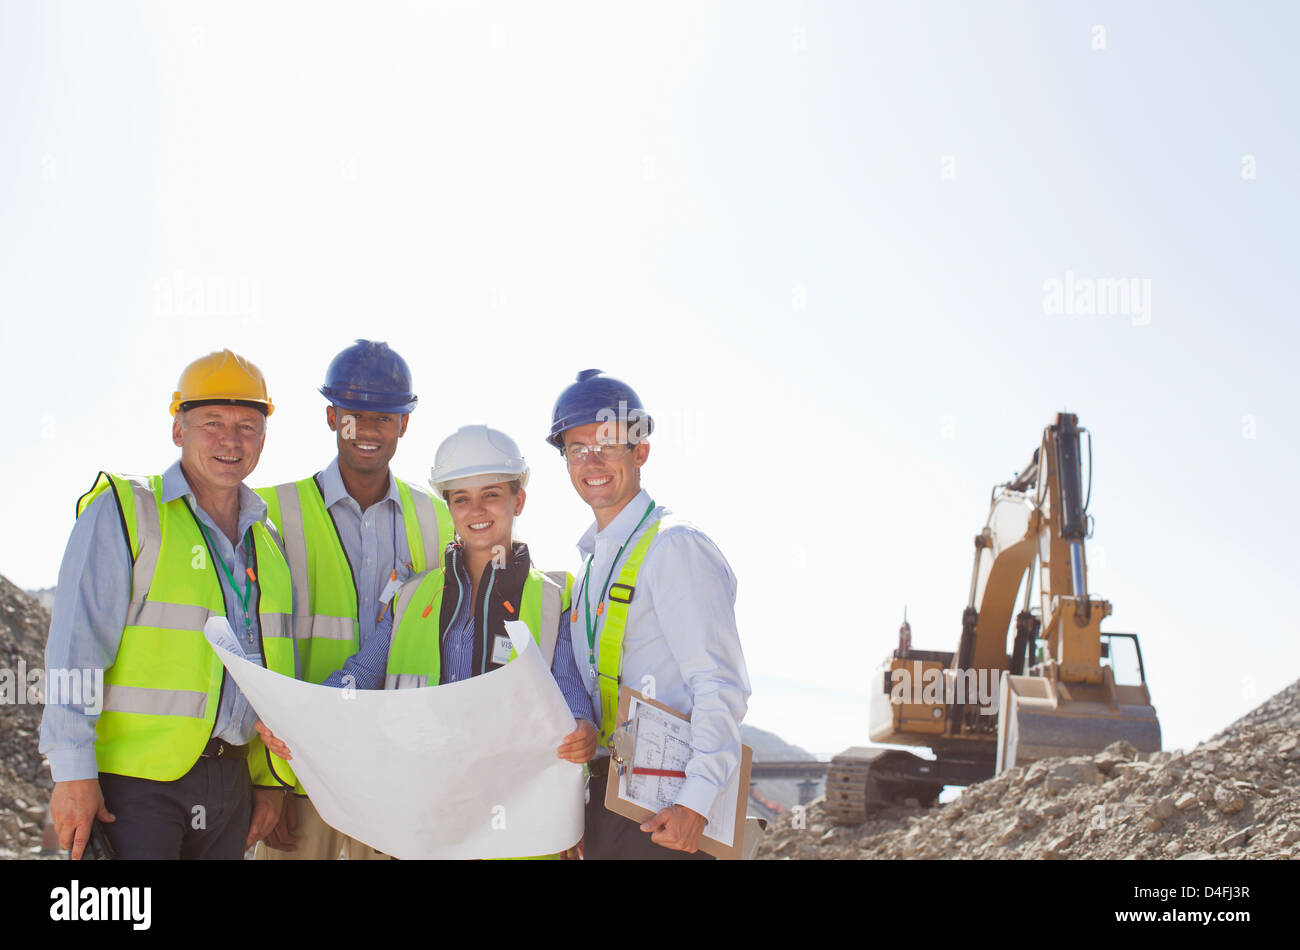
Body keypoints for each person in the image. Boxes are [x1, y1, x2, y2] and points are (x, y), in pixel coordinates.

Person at [258, 425, 597, 858]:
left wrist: (582, 730)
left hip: (512, 830)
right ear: (449, 507)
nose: (477, 509)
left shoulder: (552, 598)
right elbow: (360, 675)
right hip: (419, 824)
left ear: (519, 500)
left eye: (491, 494)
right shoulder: (412, 596)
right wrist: (297, 714)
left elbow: (568, 692)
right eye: (461, 498)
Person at [39, 349, 296, 859]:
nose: (231, 439)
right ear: (178, 430)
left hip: (229, 782)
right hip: (134, 787)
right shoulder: (127, 511)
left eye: (247, 425)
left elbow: (267, 672)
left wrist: (270, 779)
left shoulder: (267, 540)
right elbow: (75, 649)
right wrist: (72, 773)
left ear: (263, 440)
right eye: (212, 423)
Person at [252, 339, 453, 861]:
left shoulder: (437, 519)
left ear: (404, 424)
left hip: (397, 771)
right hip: (304, 766)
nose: (367, 431)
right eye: (354, 416)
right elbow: (251, 651)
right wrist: (270, 778)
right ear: (330, 416)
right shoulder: (271, 513)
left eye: (383, 417)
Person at [546, 369, 750, 859]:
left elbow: (719, 684)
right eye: (577, 449)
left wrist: (695, 804)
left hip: (668, 815)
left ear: (640, 451)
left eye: (607, 444)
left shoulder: (675, 547)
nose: (591, 461)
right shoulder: (592, 562)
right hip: (611, 801)